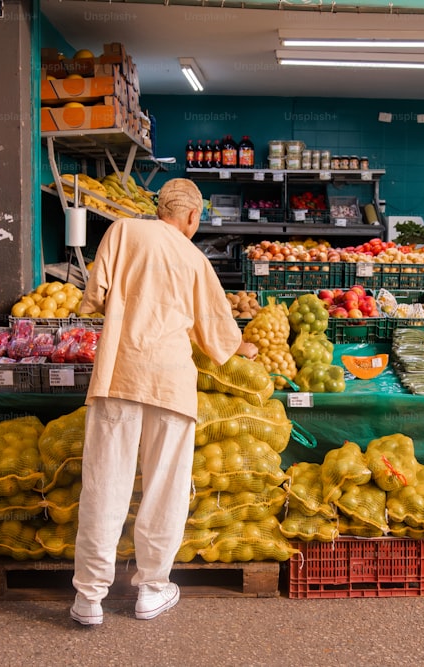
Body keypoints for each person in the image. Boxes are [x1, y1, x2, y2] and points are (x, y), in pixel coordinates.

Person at [70, 178, 258, 626]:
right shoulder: (196, 259)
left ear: (160, 208)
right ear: (192, 217)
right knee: (164, 489)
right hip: (171, 386)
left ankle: (89, 599)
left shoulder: (123, 231)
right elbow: (219, 338)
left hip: (119, 375)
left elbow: (93, 297)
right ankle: (151, 590)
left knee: (104, 486)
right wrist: (249, 350)